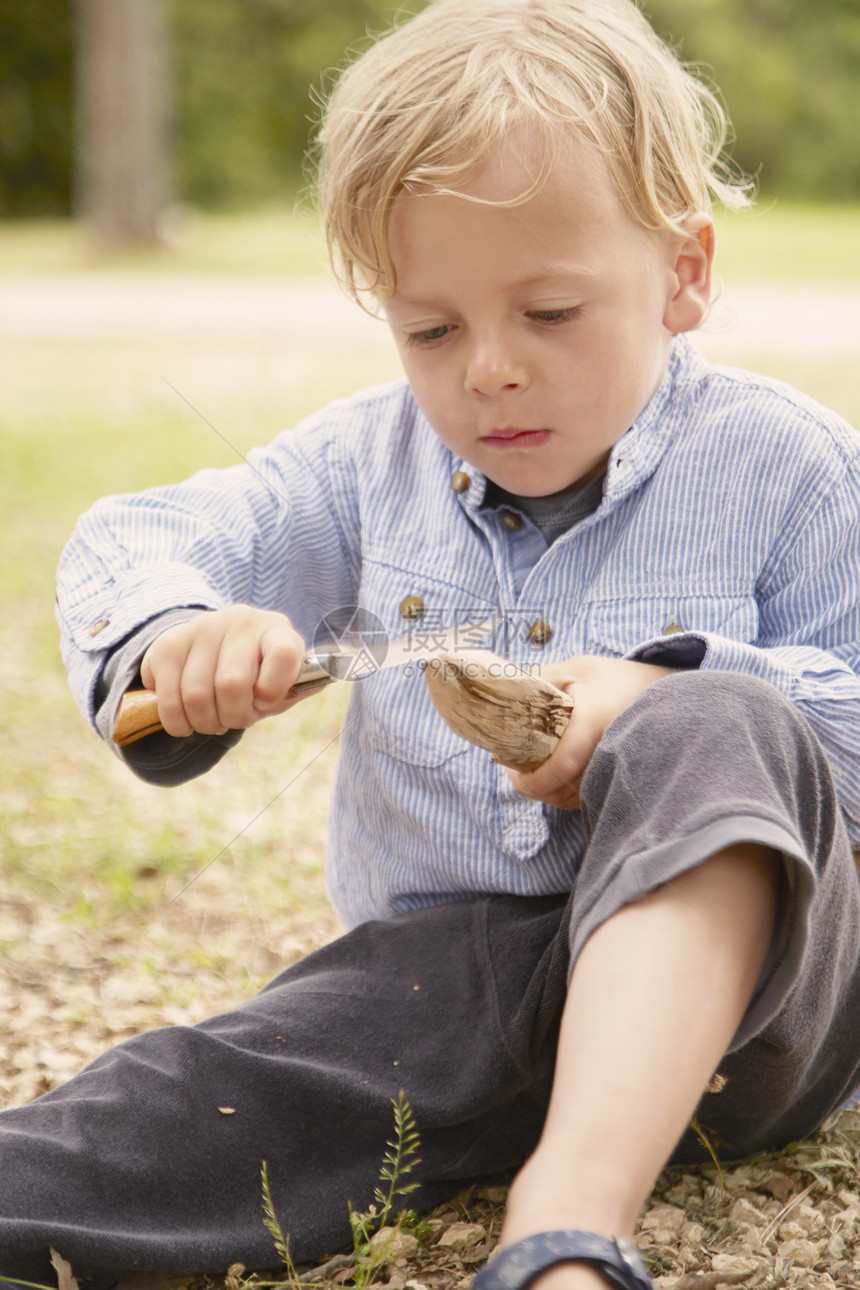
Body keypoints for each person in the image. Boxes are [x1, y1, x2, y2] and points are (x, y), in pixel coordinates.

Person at [3, 1, 860, 1287]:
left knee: (709, 723)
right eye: (430, 330)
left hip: (759, 1012)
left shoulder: (785, 466)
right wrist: (173, 632)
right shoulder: (366, 465)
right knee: (212, 1085)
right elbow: (143, 535)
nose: (489, 373)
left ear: (682, 273)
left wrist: (666, 695)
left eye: (551, 313)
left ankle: (563, 1225)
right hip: (453, 995)